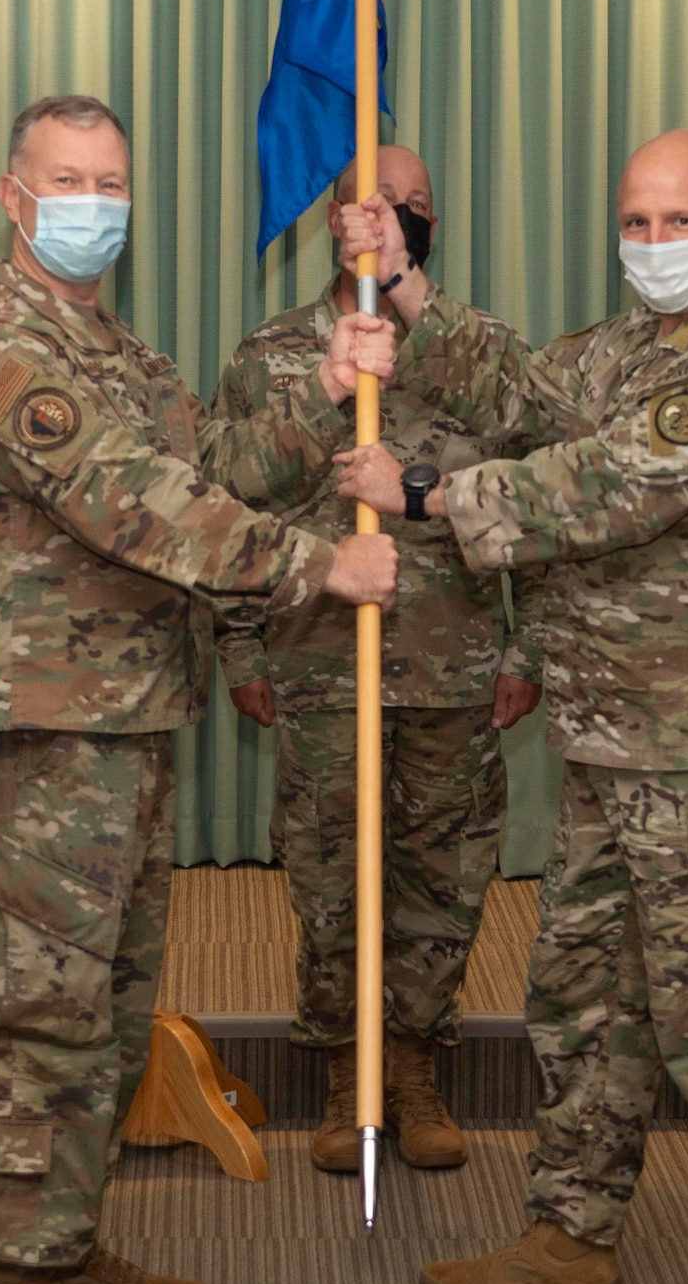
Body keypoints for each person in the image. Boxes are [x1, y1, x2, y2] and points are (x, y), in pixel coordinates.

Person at [0, 94, 399, 1284]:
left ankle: (62, 1249)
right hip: (38, 731)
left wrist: (324, 380)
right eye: (67, 179)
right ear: (13, 197)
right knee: (32, 1019)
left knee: (108, 1016)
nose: (92, 202)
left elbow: (215, 459)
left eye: (110, 180)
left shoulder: (108, 350)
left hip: (123, 722)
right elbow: (136, 503)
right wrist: (321, 565)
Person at [334, 129, 688, 1284]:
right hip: (612, 739)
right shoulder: (633, 349)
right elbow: (524, 392)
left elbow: (610, 480)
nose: (653, 244)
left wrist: (420, 495)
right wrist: (401, 280)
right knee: (582, 996)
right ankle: (570, 1234)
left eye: (678, 221)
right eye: (635, 221)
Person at [210, 146, 543, 1174]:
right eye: (374, 202)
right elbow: (225, 500)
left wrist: (525, 641)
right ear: (331, 222)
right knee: (328, 879)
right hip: (316, 660)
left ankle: (413, 1066)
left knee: (441, 880)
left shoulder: (474, 348)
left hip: (450, 663)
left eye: (414, 204)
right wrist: (236, 642)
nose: (395, 216)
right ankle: (343, 1071)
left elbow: (539, 485)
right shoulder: (270, 353)